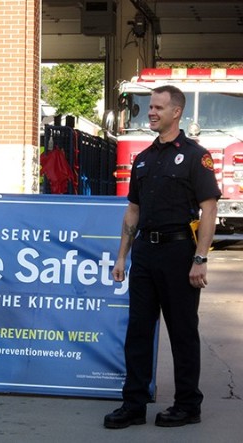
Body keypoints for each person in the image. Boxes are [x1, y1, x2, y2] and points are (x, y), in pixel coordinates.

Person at [104, 85, 221, 429]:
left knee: (183, 332)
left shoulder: (196, 156)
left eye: (157, 107)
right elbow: (133, 210)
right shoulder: (143, 159)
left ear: (176, 112)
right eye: (149, 107)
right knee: (138, 331)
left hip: (179, 252)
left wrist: (200, 258)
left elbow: (210, 208)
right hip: (145, 254)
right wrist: (122, 257)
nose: (151, 112)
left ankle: (187, 405)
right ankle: (134, 404)